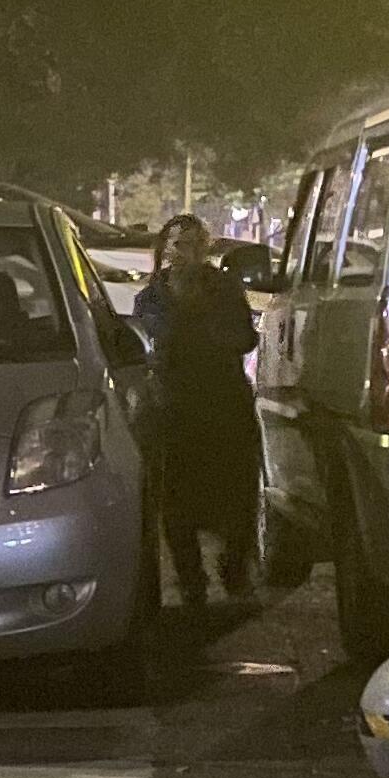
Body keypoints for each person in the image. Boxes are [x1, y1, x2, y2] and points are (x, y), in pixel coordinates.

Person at [131, 215, 259, 605]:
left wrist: (209, 332)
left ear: (204, 247)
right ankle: (191, 579)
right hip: (175, 409)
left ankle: (235, 569)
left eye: (190, 242)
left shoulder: (224, 288)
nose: (182, 251)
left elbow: (244, 338)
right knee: (176, 500)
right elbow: (149, 347)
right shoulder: (151, 298)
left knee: (237, 495)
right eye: (175, 242)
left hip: (224, 404)